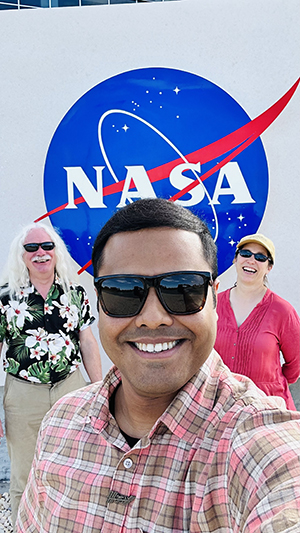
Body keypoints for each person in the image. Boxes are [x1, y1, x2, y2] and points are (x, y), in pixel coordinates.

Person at [17, 199, 300, 533]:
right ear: (100, 303)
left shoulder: (255, 445)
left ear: (213, 298)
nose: (153, 318)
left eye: (183, 289)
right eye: (123, 292)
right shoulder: (61, 423)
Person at [0, 222, 102, 527]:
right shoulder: (6, 297)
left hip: (69, 388)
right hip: (22, 394)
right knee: (23, 474)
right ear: (22, 255)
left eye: (46, 247)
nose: (40, 253)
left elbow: (87, 341)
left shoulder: (75, 293)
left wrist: (98, 391)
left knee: (73, 470)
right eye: (32, 248)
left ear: (57, 251)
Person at [215, 233, 300, 410]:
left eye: (260, 257)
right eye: (246, 254)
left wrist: (271, 382)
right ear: (235, 259)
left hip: (267, 408)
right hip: (220, 407)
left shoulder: (282, 311)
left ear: (269, 267)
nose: (251, 260)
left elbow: (296, 363)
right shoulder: (213, 304)